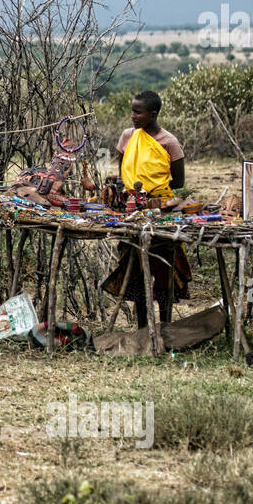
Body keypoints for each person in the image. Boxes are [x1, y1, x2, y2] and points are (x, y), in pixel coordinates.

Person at [101, 90, 192, 327]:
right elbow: (123, 172)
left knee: (163, 267)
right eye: (132, 110)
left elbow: (179, 181)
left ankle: (166, 325)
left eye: (137, 112)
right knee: (135, 270)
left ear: (152, 114)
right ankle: (142, 327)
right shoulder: (128, 136)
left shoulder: (168, 142)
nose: (132, 116)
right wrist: (132, 194)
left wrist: (154, 191)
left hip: (161, 209)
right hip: (131, 210)